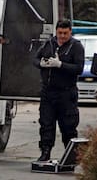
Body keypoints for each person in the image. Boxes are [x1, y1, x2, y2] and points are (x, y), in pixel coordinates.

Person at [33, 19, 85, 162]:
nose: (62, 36)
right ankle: (45, 152)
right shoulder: (49, 43)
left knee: (68, 125)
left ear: (70, 32)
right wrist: (41, 64)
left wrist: (61, 65)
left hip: (66, 92)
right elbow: (35, 59)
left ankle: (71, 156)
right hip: (48, 91)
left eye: (65, 33)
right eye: (60, 33)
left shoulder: (76, 46)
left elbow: (79, 68)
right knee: (46, 123)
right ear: (56, 31)